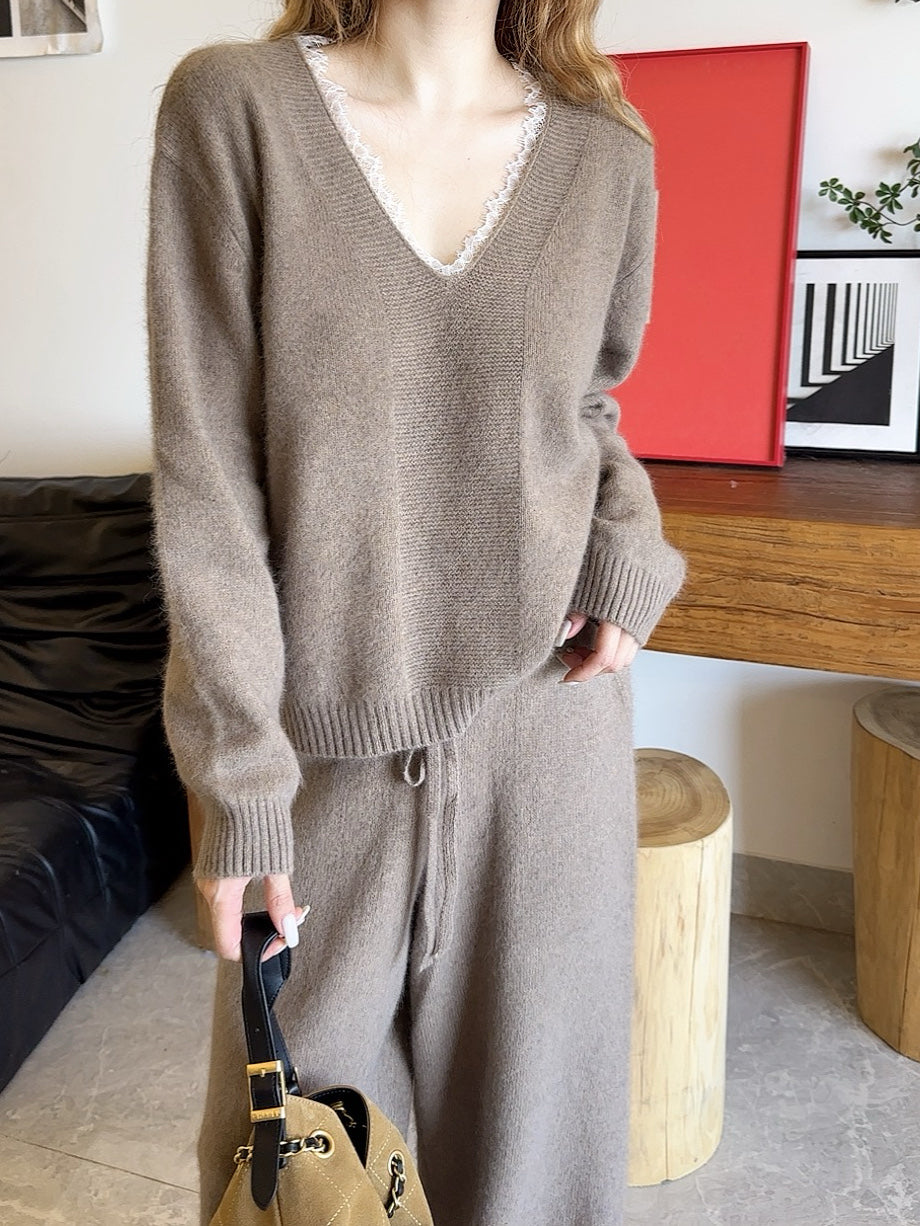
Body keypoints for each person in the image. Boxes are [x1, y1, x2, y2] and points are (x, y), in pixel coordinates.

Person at [145, 1, 687, 1223]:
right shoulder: (236, 108)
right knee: (297, 1173)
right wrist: (238, 782)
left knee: (535, 1173)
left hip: (547, 738)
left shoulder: (605, 152)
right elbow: (207, 473)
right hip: (323, 758)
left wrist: (624, 541)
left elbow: (587, 406)